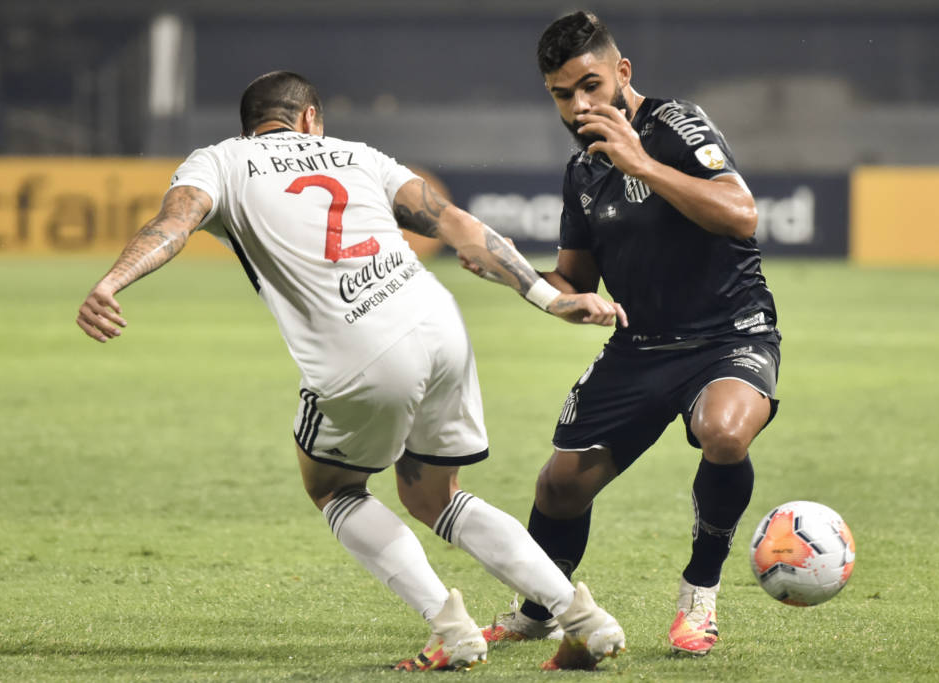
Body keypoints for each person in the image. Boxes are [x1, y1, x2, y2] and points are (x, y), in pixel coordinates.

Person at [76, 71, 628, 671]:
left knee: (333, 488)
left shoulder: (220, 161)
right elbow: (460, 227)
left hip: (361, 349)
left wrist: (110, 282)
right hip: (438, 324)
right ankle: (580, 617)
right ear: (309, 117)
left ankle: (451, 630)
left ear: (250, 124)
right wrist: (551, 298)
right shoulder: (357, 155)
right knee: (435, 495)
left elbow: (173, 224)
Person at [473, 12, 781, 656]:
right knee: (559, 487)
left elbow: (741, 213)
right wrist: (515, 273)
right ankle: (538, 611)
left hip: (728, 335)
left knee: (724, 433)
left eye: (591, 85)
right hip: (639, 347)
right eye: (562, 94)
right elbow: (574, 280)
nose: (579, 105)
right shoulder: (582, 172)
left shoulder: (676, 125)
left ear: (622, 72)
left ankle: (699, 594)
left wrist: (641, 162)